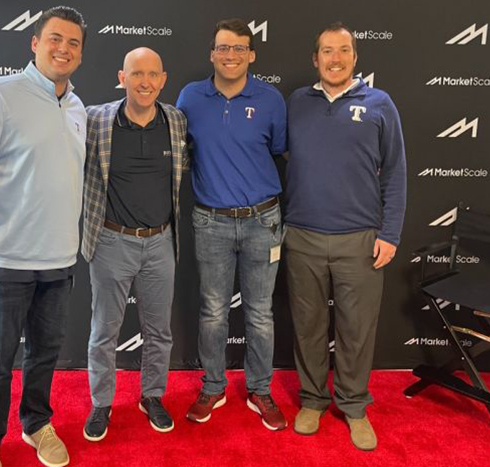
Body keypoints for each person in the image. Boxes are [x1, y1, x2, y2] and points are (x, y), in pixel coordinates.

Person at [0, 6, 87, 467]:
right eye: (55, 39)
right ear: (35, 43)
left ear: (81, 54)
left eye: (73, 43)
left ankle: (36, 425)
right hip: (3, 260)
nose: (63, 49)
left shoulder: (78, 107)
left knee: (44, 356)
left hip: (59, 260)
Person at [285, 22, 407, 450]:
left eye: (343, 51)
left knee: (356, 329)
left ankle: (354, 406)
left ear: (355, 58)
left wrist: (389, 233)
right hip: (302, 236)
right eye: (326, 51)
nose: (334, 59)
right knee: (309, 324)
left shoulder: (379, 103)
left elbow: (394, 173)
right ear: (315, 59)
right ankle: (313, 400)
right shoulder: (297, 103)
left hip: (360, 238)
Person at [177, 18, 288, 431]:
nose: (230, 56)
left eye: (239, 49)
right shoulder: (190, 97)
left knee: (260, 313)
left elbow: (278, 149)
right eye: (223, 48)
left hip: (263, 220)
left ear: (251, 55)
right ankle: (213, 386)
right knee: (212, 312)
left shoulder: (271, 99)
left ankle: (261, 390)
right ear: (212, 53)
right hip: (210, 222)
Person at [81, 47, 187, 440]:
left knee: (159, 331)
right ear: (122, 78)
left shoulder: (175, 120)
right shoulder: (96, 120)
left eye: (152, 75)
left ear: (162, 79)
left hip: (160, 242)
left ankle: (152, 396)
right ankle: (102, 403)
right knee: (103, 331)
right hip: (111, 241)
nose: (145, 82)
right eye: (136, 74)